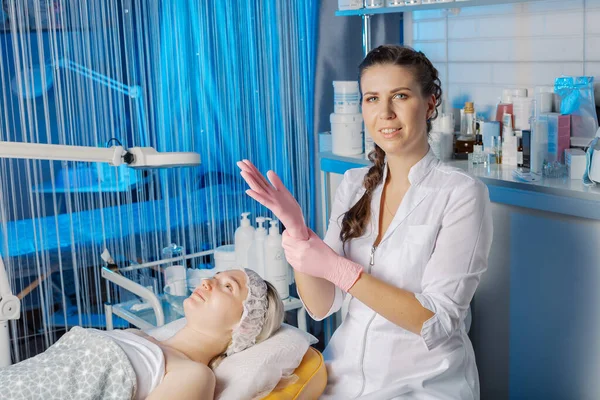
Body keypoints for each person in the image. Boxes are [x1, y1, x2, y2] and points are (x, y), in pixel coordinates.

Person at [237, 44, 493, 399]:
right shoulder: (354, 184)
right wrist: (298, 233)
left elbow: (437, 321)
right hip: (342, 379)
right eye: (372, 98)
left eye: (400, 96)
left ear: (430, 102)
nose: (385, 112)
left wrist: (342, 270)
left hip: (422, 387)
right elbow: (323, 303)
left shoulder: (461, 194)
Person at [0, 269, 284, 400]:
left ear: (243, 324)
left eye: (227, 287)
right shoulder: (140, 336)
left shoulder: (194, 375)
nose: (208, 281)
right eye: (216, 276)